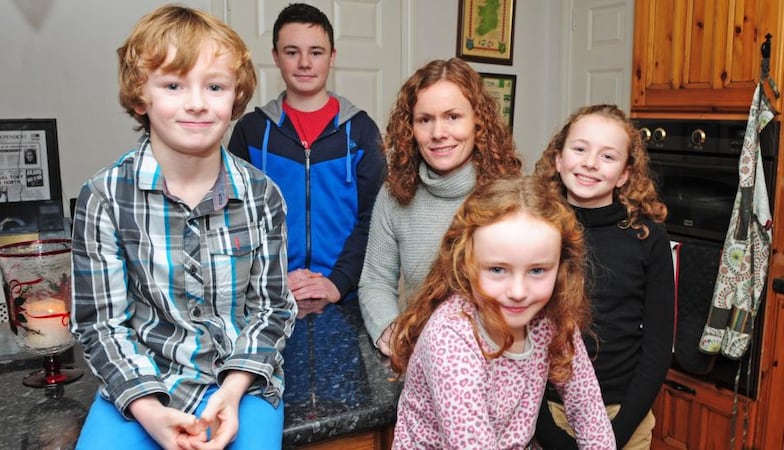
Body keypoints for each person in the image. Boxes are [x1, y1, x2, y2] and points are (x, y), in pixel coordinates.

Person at [70, 5, 297, 450]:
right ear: (141, 96)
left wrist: (231, 392)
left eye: (214, 86)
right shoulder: (104, 198)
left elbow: (272, 310)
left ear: (235, 98)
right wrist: (150, 412)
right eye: (173, 85)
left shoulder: (262, 196)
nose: (196, 102)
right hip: (141, 385)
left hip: (241, 381)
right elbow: (101, 327)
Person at [388, 176, 615, 449]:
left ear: (561, 268)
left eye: (537, 270)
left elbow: (588, 408)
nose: (518, 292)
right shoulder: (450, 338)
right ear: (465, 264)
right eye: (497, 270)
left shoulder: (549, 319)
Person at [228, 2, 385, 319]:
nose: (304, 63)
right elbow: (235, 220)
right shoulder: (251, 132)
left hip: (346, 295)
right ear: (275, 56)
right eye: (291, 52)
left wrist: (337, 283)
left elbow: (375, 218)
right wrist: (270, 281)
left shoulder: (363, 131)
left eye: (315, 52)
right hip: (267, 297)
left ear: (332, 57)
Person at [532, 104, 675, 449]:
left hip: (623, 410)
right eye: (579, 149)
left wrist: (619, 430)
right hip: (544, 407)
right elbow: (515, 333)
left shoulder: (647, 236)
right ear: (558, 159)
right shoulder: (533, 227)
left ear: (625, 174)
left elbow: (658, 346)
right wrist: (548, 432)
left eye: (608, 156)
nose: (590, 163)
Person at [358, 57, 522, 356]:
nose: (438, 133)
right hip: (421, 355)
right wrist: (390, 332)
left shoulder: (511, 194)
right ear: (410, 128)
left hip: (497, 358)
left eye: (453, 117)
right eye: (425, 119)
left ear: (478, 121)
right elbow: (375, 281)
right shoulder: (394, 194)